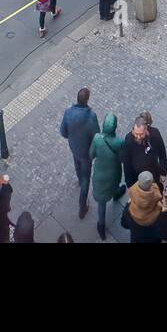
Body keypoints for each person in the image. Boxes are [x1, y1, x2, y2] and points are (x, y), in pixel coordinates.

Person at [59, 87, 100, 220]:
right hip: (86, 153)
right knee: (86, 177)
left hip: (74, 148)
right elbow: (97, 136)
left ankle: (79, 179)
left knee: (77, 163)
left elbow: (63, 132)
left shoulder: (68, 112)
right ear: (87, 100)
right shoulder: (91, 116)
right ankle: (82, 206)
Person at [89, 113, 125, 242]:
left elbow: (91, 155)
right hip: (114, 173)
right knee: (115, 185)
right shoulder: (120, 142)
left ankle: (101, 226)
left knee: (102, 204)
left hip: (100, 176)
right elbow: (122, 158)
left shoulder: (97, 138)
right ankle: (116, 193)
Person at [121, 171, 167, 243]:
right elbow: (166, 235)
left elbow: (124, 224)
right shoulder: (161, 214)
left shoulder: (129, 208)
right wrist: (166, 211)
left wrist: (128, 204)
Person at [121, 113, 167, 188]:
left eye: (141, 134)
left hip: (154, 173)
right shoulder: (128, 140)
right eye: (136, 134)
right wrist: (130, 185)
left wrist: (163, 172)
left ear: (146, 129)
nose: (138, 137)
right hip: (137, 178)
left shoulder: (155, 134)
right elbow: (127, 164)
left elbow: (162, 153)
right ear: (132, 129)